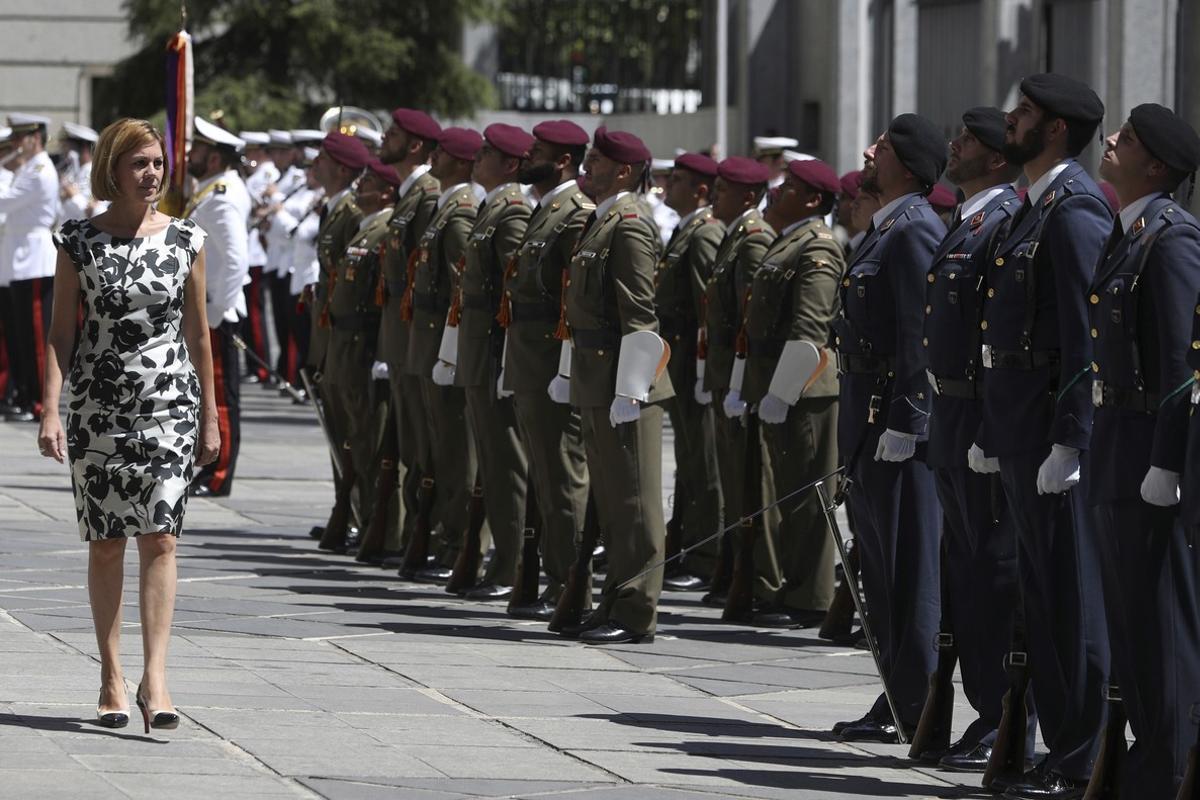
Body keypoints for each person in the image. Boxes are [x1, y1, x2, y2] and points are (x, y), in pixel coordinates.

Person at [37, 118, 219, 733]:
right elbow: (62, 333)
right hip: (98, 410)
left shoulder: (187, 239)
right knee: (108, 539)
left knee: (161, 537)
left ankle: (158, 677)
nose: (151, 174)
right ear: (112, 169)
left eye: (158, 164)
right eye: (139, 163)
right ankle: (112, 676)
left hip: (169, 405)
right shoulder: (77, 240)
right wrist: (50, 409)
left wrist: (211, 418)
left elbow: (198, 334)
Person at [976, 73, 1112, 799]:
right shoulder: (1036, 205)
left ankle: (1083, 756)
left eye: (1024, 112)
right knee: (1041, 597)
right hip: (1022, 429)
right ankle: (1063, 749)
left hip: (1051, 437)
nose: (1010, 118)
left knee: (1071, 599)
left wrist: (1071, 441)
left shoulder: (1073, 210)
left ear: (1055, 129)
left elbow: (1086, 339)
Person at [1088, 104, 1200, 799]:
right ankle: (1151, 757)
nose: (1110, 142)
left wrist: (1167, 460)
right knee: (1130, 620)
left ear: (1155, 166)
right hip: (1116, 447)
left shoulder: (1172, 242)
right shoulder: (1128, 235)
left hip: (1148, 456)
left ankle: (1171, 767)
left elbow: (1183, 367)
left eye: (1124, 138)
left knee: (1161, 623)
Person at [831, 113, 946, 743]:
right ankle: (901, 696)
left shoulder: (915, 232)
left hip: (892, 430)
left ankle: (921, 702)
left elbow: (916, 340)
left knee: (909, 575)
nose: (870, 151)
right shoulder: (886, 230)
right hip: (866, 424)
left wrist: (908, 421)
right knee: (881, 575)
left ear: (905, 163)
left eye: (882, 145)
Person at [920, 107, 1025, 771]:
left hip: (981, 419)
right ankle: (984, 706)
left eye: (963, 142)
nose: (951, 148)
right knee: (962, 572)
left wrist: (990, 427)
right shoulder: (967, 220)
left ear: (992, 157)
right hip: (951, 415)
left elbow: (1002, 336)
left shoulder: (1004, 221)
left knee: (993, 573)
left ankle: (1003, 712)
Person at [560, 126, 674, 645]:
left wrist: (632, 390)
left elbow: (639, 315)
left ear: (624, 171)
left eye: (597, 159)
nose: (588, 165)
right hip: (596, 376)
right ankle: (615, 600)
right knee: (611, 499)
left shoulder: (629, 225)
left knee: (635, 501)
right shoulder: (601, 220)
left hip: (623, 382)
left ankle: (635, 612)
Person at [744, 157, 846, 628]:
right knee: (790, 494)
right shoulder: (790, 242)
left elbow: (809, 331)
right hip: (782, 383)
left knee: (808, 497)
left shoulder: (816, 247)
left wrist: (782, 393)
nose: (776, 191)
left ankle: (810, 597)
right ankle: (795, 585)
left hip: (805, 390)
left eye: (789, 186)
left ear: (812, 199)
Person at [501, 120, 594, 620]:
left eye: (537, 149)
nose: (527, 154)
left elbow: (569, 302)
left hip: (550, 363)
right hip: (529, 360)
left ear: (562, 160)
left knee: (562, 479)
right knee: (545, 478)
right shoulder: (546, 210)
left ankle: (573, 586)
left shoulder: (573, 213)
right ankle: (559, 581)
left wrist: (564, 369)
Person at [440, 123, 535, 598]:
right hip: (479, 351)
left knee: (505, 463)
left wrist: (504, 362)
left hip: (495, 353)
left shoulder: (512, 211)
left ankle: (513, 564)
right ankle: (503, 560)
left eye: (488, 154)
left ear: (511, 164)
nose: (476, 160)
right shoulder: (493, 206)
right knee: (494, 465)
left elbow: (512, 293)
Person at [400, 127, 482, 580]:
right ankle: (444, 537)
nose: (436, 157)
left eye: (446, 153)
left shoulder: (461, 209)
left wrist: (451, 349)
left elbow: (460, 287)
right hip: (427, 339)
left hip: (443, 341)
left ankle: (458, 541)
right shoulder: (446, 205)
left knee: (455, 449)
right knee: (435, 446)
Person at [704, 156, 779, 608]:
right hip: (720, 372)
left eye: (724, 188)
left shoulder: (753, 241)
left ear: (748, 197)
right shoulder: (736, 237)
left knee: (748, 482)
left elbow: (749, 324)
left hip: (738, 377)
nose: (715, 195)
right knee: (733, 479)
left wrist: (738, 382)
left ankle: (751, 576)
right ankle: (735, 568)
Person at [320, 158, 399, 557]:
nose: (359, 186)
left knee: (369, 440)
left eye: (368, 181)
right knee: (349, 440)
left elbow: (381, 297)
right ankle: (360, 515)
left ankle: (375, 521)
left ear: (386, 191)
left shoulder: (384, 228)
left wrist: (381, 352)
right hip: (343, 342)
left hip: (363, 344)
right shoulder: (365, 225)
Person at [374, 108, 441, 565]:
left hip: (419, 333)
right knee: (409, 439)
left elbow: (427, 277)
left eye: (394, 134)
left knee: (424, 442)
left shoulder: (428, 195)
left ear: (415, 145)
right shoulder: (409, 193)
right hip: (400, 333)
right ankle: (413, 533)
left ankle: (430, 534)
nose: (385, 138)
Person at [654, 152, 724, 590]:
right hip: (677, 357)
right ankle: (686, 546)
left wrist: (703, 371)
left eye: (676, 180)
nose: (667, 187)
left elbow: (707, 310)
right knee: (688, 457)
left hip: (691, 359)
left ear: (700, 189)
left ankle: (707, 553)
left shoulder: (703, 234)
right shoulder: (687, 229)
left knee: (703, 460)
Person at [185, 117, 252, 498]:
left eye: (196, 150)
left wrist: (214, 313)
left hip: (218, 314)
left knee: (220, 398)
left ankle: (218, 473)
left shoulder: (223, 196)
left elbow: (234, 263)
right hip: (208, 310)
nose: (190, 155)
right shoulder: (211, 189)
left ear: (212, 159)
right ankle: (210, 467)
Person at [0, 114, 59, 422]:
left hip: (35, 259)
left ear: (35, 138)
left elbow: (6, 200)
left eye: (20, 139)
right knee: (21, 336)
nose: (15, 146)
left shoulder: (38, 170)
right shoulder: (27, 168)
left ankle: (38, 402)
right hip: (20, 258)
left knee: (36, 339)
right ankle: (25, 397)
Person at [239, 130, 279, 386]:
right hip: (251, 250)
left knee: (254, 314)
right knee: (249, 315)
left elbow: (265, 206)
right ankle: (256, 365)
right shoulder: (256, 175)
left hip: (256, 253)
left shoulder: (267, 174)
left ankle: (262, 366)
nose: (247, 156)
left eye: (251, 151)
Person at [58, 121, 102, 222]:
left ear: (85, 149)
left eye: (69, 147)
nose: (66, 151)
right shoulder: (74, 171)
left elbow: (90, 211)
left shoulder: (93, 174)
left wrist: (73, 195)